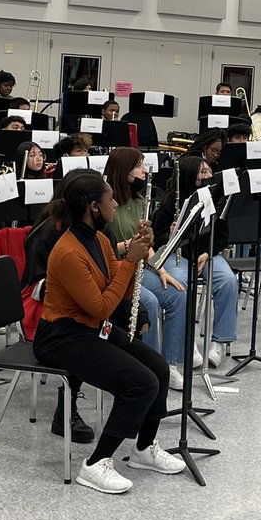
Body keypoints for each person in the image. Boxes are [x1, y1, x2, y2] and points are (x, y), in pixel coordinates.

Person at [32, 171, 185, 494]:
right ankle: (96, 464)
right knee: (140, 384)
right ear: (94, 207)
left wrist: (139, 253)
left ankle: (144, 449)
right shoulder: (69, 252)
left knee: (157, 366)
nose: (115, 202)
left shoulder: (100, 240)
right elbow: (101, 307)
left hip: (88, 328)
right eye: (109, 199)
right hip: (61, 337)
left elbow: (122, 293)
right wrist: (130, 261)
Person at [104, 148, 192, 389]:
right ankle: (148, 366)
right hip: (117, 268)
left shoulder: (139, 201)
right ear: (124, 171)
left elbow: (146, 244)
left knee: (177, 293)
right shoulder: (106, 202)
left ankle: (169, 364)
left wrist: (161, 269)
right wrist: (130, 246)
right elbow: (107, 249)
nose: (145, 171)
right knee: (150, 303)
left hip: (139, 266)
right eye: (139, 166)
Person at [20, 186, 96, 444]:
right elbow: (35, 286)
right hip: (41, 310)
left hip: (68, 305)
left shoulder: (90, 232)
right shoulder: (46, 235)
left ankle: (131, 389)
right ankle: (66, 410)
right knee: (85, 332)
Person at [151, 156, 239, 368]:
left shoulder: (215, 199)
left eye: (208, 171)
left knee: (228, 280)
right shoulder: (170, 202)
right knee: (180, 285)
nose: (208, 176)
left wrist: (207, 253)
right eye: (202, 172)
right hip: (178, 255)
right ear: (190, 175)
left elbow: (222, 236)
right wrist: (172, 234)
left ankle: (218, 341)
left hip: (205, 255)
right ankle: (187, 342)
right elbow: (157, 237)